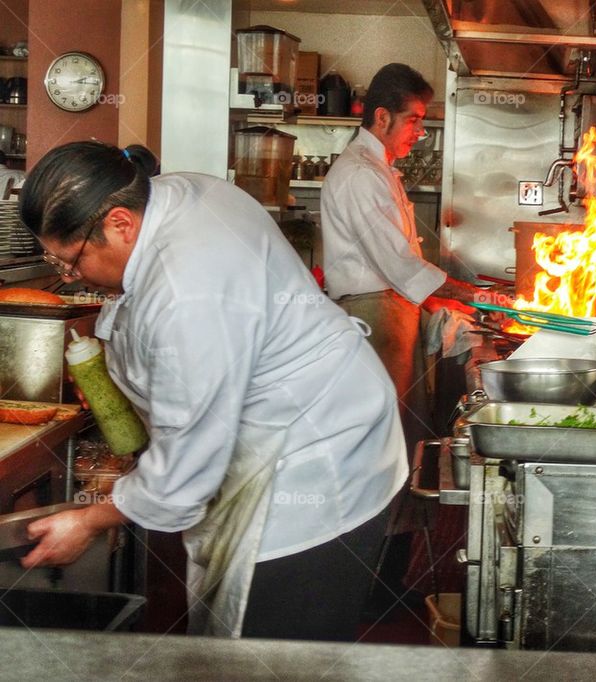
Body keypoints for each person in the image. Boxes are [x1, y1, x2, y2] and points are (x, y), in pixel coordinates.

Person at [18, 141, 408, 641]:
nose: (71, 277)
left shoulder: (189, 291)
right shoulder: (174, 194)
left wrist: (91, 521)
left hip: (309, 467)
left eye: (70, 262)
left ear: (120, 223)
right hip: (303, 425)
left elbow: (187, 472)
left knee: (273, 659)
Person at [320, 63, 484, 448]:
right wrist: (473, 294)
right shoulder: (360, 174)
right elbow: (399, 265)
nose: (420, 132)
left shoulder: (380, 170)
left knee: (401, 426)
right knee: (383, 433)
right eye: (414, 120)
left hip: (392, 312)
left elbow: (400, 266)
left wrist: (440, 299)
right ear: (382, 117)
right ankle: (385, 508)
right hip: (373, 317)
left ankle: (400, 505)